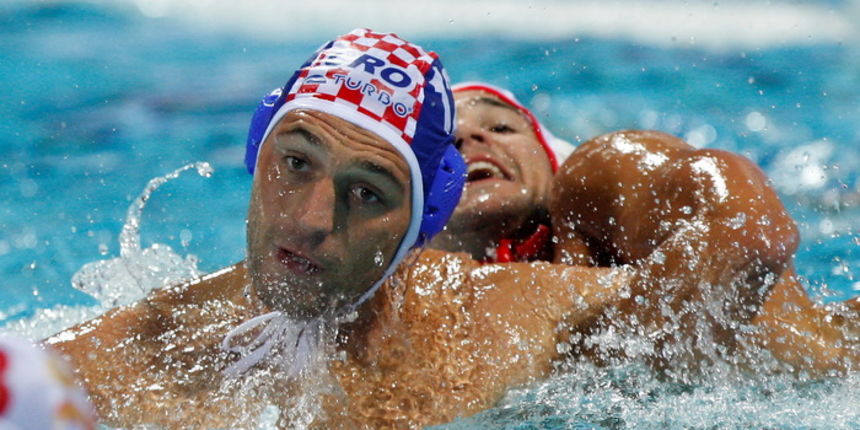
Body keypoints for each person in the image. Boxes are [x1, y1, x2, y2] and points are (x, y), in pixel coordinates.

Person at [45, 30, 642, 429]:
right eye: (296, 162)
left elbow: (714, 305)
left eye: (366, 192)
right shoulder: (126, 359)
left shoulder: (506, 317)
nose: (308, 222)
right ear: (259, 149)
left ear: (423, 219)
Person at [432, 81, 860, 373]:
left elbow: (747, 230)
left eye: (501, 126)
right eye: (439, 142)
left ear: (549, 158)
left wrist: (599, 361)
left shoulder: (594, 177)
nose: (469, 138)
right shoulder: (411, 308)